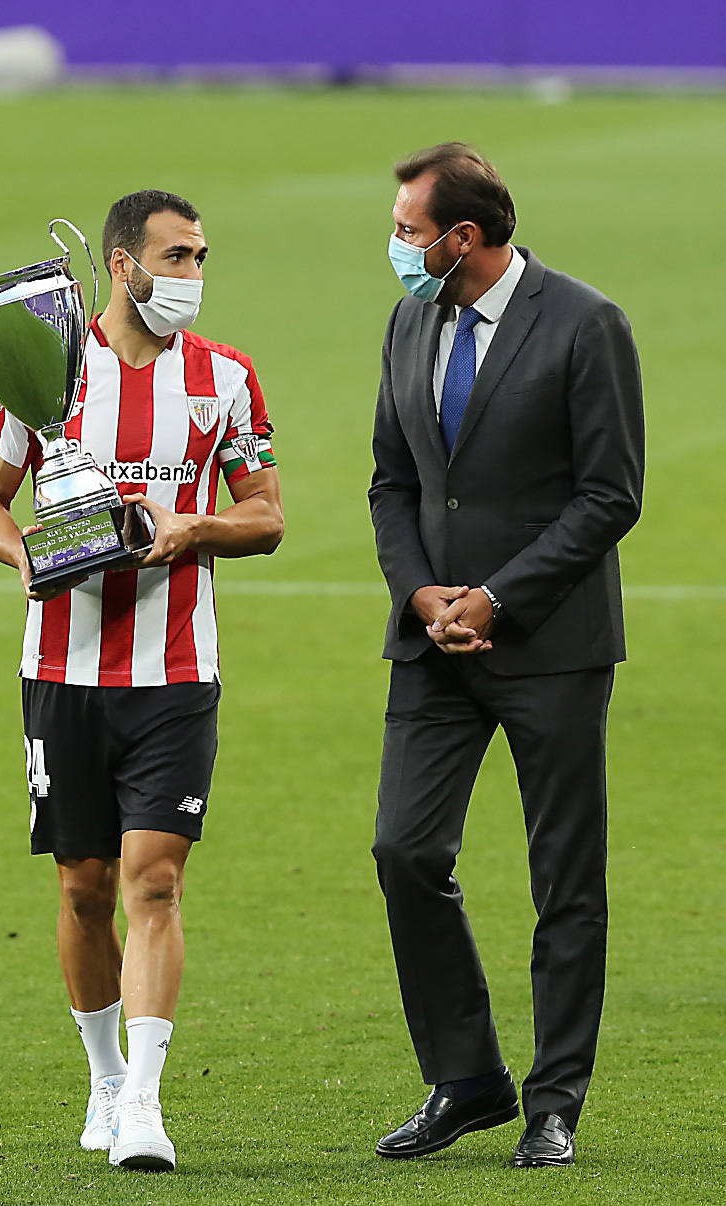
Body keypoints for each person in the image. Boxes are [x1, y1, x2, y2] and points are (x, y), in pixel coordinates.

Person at [0, 189, 283, 1173]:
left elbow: (266, 514)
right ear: (121, 264)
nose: (191, 277)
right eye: (175, 257)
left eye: (199, 258)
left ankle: (144, 1104)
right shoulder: (46, 373)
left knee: (154, 878)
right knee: (82, 885)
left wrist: (196, 530)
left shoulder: (224, 378)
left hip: (176, 668)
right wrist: (26, 563)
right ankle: (103, 1078)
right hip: (59, 665)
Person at [369, 143, 643, 1169]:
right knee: (403, 852)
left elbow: (609, 494)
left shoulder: (583, 323)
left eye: (407, 231)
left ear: (463, 238)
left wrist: (498, 595)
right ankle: (467, 1078)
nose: (396, 248)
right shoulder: (409, 319)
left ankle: (553, 1102)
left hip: (551, 647)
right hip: (431, 645)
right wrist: (421, 591)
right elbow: (391, 481)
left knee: (562, 878)